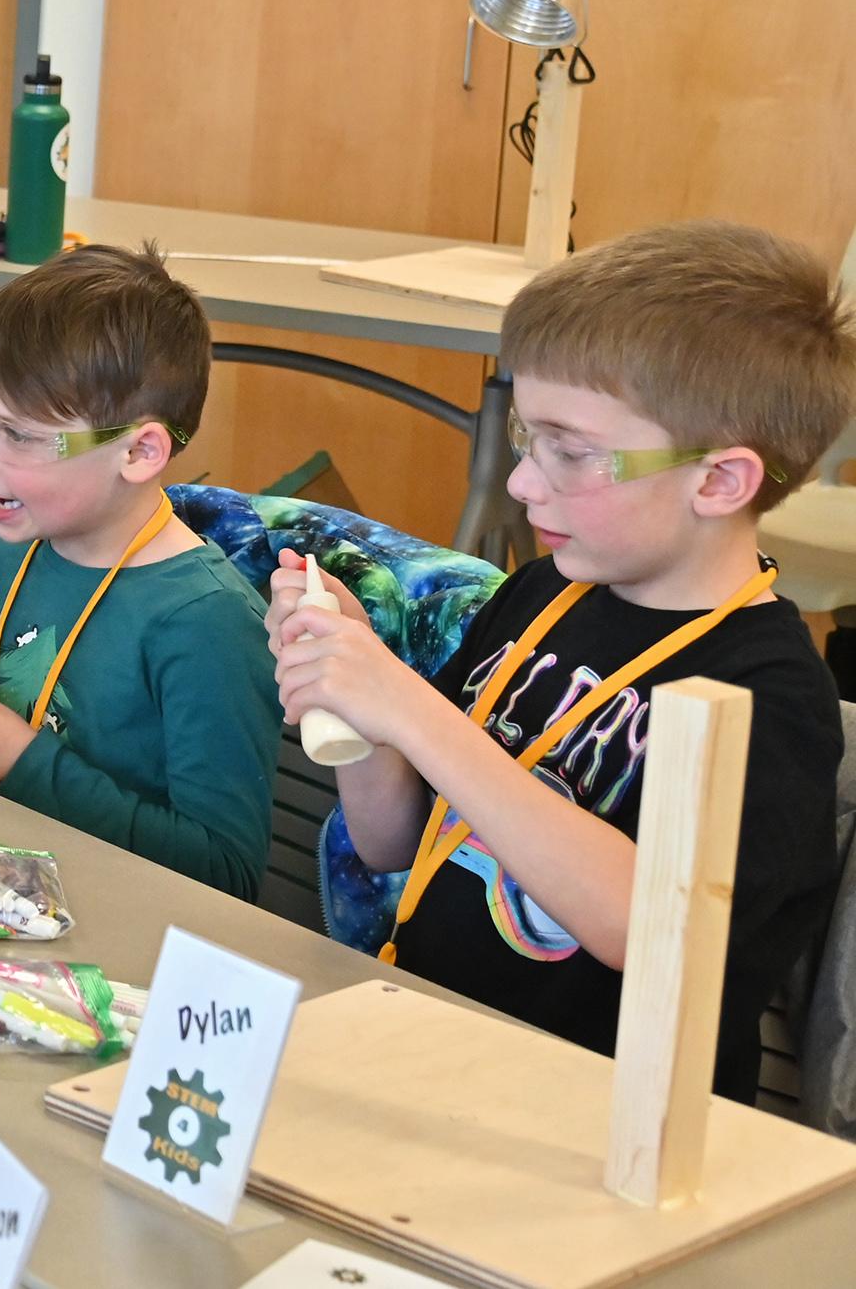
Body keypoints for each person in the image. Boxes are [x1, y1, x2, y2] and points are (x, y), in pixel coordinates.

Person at [271, 221, 850, 1099]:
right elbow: (392, 844)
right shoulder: (544, 593)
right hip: (426, 1057)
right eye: (528, 441)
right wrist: (357, 700)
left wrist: (410, 709)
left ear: (720, 482)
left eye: (570, 452)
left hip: (595, 1126)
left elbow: (649, 926)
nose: (521, 483)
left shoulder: (770, 698)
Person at [0, 244, 279, 898]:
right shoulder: (18, 543)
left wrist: (18, 758)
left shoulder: (208, 623)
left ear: (140, 451)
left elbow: (224, 876)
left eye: (16, 434)